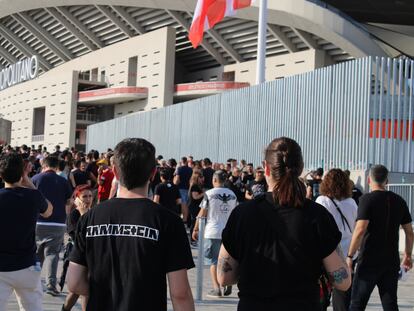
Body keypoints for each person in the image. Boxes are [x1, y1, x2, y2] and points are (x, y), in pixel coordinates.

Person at [217, 137, 351, 311]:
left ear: (266, 168)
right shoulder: (317, 215)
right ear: (300, 168)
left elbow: (224, 277)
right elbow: (343, 281)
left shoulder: (242, 214)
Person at [67, 138, 195, 311]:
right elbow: (180, 294)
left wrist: (105, 292)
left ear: (115, 172)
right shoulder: (169, 221)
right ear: (153, 173)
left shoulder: (90, 218)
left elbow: (74, 283)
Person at [347, 165, 413, 311]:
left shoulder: (366, 200)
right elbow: (409, 232)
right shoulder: (400, 201)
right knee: (390, 304)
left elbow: (360, 230)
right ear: (387, 181)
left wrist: (350, 256)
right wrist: (408, 255)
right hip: (391, 261)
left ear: (369, 180)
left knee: (357, 304)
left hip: (369, 261)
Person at [0, 153, 52, 311]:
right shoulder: (33, 196)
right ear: (22, 173)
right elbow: (48, 211)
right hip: (27, 265)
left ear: (1, 175)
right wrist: (29, 183)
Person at [316, 169, 358, 311]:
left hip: (329, 253)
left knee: (322, 294)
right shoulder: (352, 203)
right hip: (347, 254)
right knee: (343, 297)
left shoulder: (322, 201)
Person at [192, 170, 238, 298]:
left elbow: (202, 213)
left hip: (213, 231)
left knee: (213, 261)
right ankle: (227, 281)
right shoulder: (232, 195)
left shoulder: (209, 194)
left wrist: (196, 229)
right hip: (228, 231)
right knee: (227, 259)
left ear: (214, 179)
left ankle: (216, 288)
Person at [32, 156, 73, 296]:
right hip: (57, 223)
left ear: (44, 165)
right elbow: (69, 201)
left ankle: (32, 283)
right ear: (57, 167)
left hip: (37, 221)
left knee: (36, 254)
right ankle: (51, 284)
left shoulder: (36, 179)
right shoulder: (63, 181)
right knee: (52, 255)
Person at [61, 185, 93, 311]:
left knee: (86, 291)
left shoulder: (94, 212)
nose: (88, 199)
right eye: (84, 196)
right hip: (78, 257)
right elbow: (77, 237)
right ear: (77, 199)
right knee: (75, 292)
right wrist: (83, 215)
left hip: (92, 257)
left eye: (90, 196)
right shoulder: (74, 215)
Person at [187, 171, 204, 245]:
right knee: (194, 222)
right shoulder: (194, 186)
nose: (202, 179)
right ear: (197, 178)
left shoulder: (197, 186)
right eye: (200, 178)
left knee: (195, 222)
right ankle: (192, 240)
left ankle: (194, 239)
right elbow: (195, 197)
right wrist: (204, 193)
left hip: (196, 206)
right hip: (194, 206)